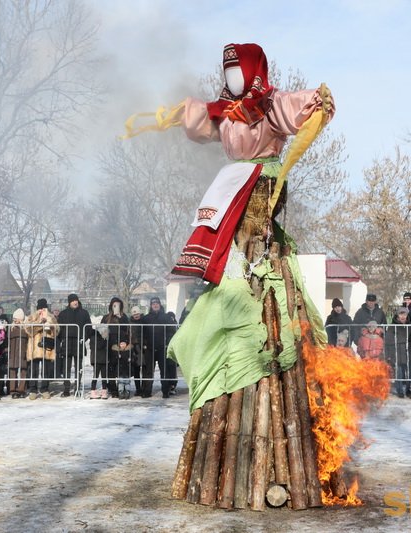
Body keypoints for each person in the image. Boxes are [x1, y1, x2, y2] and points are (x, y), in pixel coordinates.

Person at [137, 43, 335, 413]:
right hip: (232, 180)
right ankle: (228, 288)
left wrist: (317, 100)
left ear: (252, 71)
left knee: (255, 248)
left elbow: (296, 105)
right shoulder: (226, 109)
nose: (231, 78)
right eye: (226, 71)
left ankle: (255, 286)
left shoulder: (269, 104)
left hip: (261, 179)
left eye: (236, 71)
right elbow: (201, 118)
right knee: (224, 245)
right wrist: (177, 114)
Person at [58, 293, 91, 397]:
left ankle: (77, 387)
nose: (75, 302)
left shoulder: (84, 313)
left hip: (79, 342)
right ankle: (66, 389)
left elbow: (88, 327)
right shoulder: (63, 314)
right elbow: (59, 328)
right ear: (69, 302)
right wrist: (62, 339)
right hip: (67, 343)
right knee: (66, 368)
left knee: (78, 367)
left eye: (76, 300)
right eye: (72, 301)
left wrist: (84, 338)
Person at [143, 297, 176, 399]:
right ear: (151, 306)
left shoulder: (166, 317)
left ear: (160, 304)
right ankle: (147, 391)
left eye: (157, 303)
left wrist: (167, 343)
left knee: (164, 370)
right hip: (149, 348)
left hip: (162, 347)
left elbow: (171, 330)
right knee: (149, 371)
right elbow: (142, 332)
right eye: (153, 304)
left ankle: (165, 391)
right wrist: (144, 344)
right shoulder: (146, 318)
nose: (155, 305)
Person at [26, 299, 59, 400]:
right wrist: (39, 324)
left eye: (44, 308)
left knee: (46, 369)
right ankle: (33, 390)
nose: (42, 310)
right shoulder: (32, 316)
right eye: (40, 308)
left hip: (47, 347)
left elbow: (57, 330)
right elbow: (28, 330)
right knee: (33, 369)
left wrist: (49, 324)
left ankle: (45, 389)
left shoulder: (51, 317)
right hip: (35, 348)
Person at [98, 297, 129, 399]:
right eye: (114, 305)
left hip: (120, 345)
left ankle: (122, 388)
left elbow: (127, 330)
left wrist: (120, 318)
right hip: (109, 344)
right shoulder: (106, 317)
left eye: (118, 305)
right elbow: (101, 331)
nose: (116, 307)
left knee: (120, 367)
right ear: (111, 306)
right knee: (110, 367)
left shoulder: (124, 317)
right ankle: (113, 388)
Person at [384, 307, 411, 398]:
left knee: (408, 373)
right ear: (397, 315)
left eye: (404, 314)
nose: (403, 316)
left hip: (408, 353)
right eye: (401, 314)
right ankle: (400, 391)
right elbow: (387, 341)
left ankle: (409, 390)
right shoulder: (392, 327)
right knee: (398, 373)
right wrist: (388, 354)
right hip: (396, 353)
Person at [7, 309, 29, 399]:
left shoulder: (26, 327)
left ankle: (21, 390)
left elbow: (28, 335)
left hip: (23, 351)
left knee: (24, 370)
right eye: (14, 318)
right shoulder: (11, 327)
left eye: (16, 318)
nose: (14, 320)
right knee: (13, 370)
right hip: (13, 351)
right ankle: (13, 390)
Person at [128, 306, 147, 397]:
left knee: (144, 369)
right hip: (134, 347)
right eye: (134, 314)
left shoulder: (144, 321)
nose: (136, 315)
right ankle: (138, 389)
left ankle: (144, 388)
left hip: (143, 346)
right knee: (136, 369)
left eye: (137, 314)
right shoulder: (129, 323)